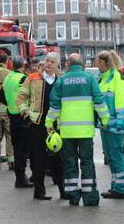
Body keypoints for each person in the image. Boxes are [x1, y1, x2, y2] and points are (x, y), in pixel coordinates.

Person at [45, 53, 108, 207]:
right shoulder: (90, 79)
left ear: (67, 64)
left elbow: (54, 105)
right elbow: (99, 101)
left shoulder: (62, 81)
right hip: (85, 131)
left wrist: (49, 123)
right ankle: (90, 197)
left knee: (69, 163)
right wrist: (105, 119)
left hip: (67, 131)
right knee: (87, 162)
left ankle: (73, 195)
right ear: (83, 64)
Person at [17, 53, 64, 200]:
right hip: (37, 123)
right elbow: (20, 97)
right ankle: (39, 191)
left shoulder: (61, 80)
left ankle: (63, 190)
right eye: (47, 61)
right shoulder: (32, 78)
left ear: (57, 65)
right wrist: (25, 112)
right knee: (38, 159)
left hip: (56, 124)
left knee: (58, 158)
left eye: (52, 62)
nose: (48, 64)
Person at [95, 50, 124, 200]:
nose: (97, 65)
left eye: (98, 62)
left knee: (116, 155)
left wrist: (120, 122)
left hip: (114, 124)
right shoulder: (104, 78)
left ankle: (120, 189)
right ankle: (115, 186)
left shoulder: (117, 78)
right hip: (106, 124)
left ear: (105, 63)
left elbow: (120, 102)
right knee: (110, 155)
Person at [3, 58, 31, 186]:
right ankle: (21, 178)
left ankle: (20, 177)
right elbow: (27, 96)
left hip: (12, 117)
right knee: (22, 150)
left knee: (17, 148)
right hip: (22, 116)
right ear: (23, 65)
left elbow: (0, 96)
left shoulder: (8, 77)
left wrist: (10, 106)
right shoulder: (23, 78)